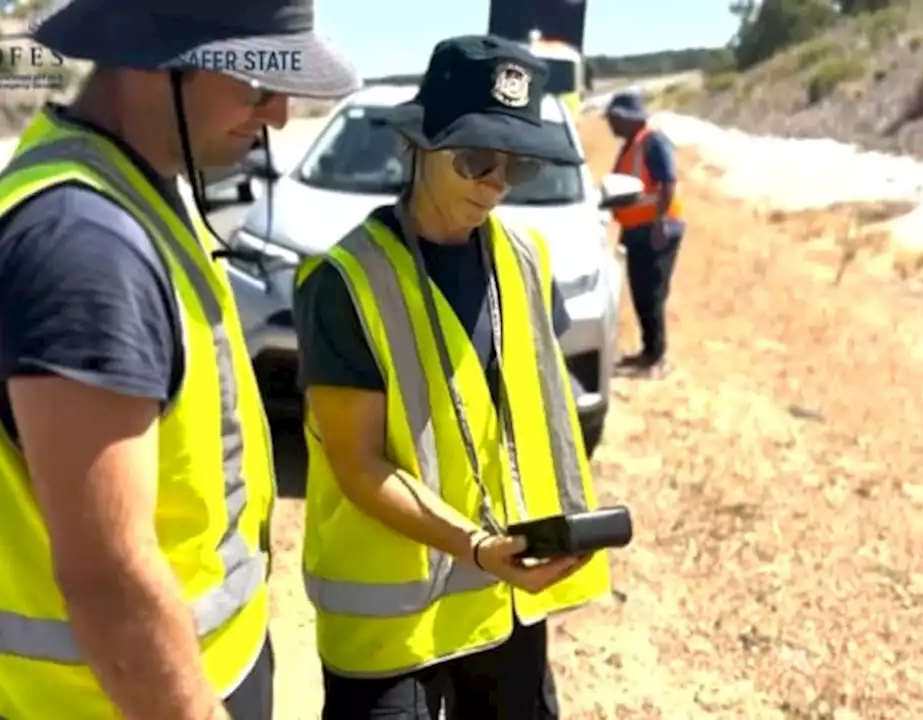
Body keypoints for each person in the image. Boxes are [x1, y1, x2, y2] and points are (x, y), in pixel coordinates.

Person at [0, 0, 359, 718]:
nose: (281, 113)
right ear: (154, 62)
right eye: (259, 83)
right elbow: (111, 576)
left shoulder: (134, 190)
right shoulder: (83, 247)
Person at [293, 35, 612, 719]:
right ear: (419, 147)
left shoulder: (525, 260)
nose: (495, 183)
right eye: (475, 160)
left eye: (516, 165)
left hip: (503, 607)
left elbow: (524, 424)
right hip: (392, 627)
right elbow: (357, 464)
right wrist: (475, 546)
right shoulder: (346, 283)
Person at [604, 91, 686, 375]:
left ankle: (656, 357)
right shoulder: (631, 145)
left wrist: (659, 224)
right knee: (642, 292)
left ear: (629, 119)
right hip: (636, 229)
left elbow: (668, 183)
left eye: (614, 119)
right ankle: (649, 350)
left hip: (656, 229)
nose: (610, 125)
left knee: (651, 293)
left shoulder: (653, 142)